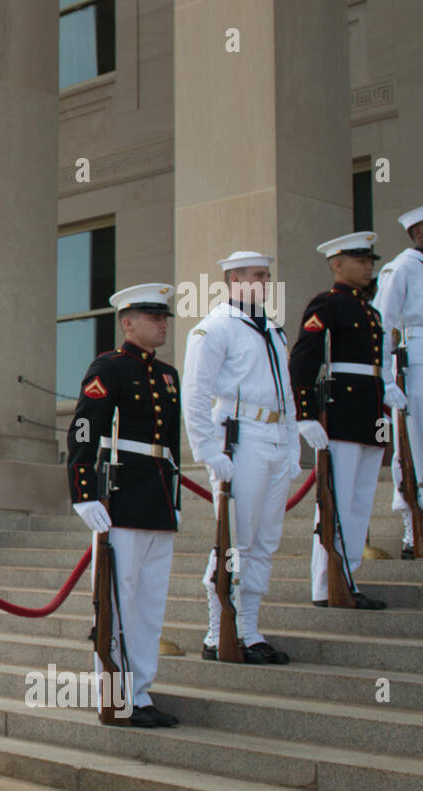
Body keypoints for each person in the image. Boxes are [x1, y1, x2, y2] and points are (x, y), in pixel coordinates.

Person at [67, 283, 181, 727]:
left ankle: (142, 692)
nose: (162, 324)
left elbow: (168, 443)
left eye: (165, 316)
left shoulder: (168, 374)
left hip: (156, 500)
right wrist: (83, 491)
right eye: (154, 317)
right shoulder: (109, 367)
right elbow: (82, 429)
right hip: (121, 498)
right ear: (128, 322)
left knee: (150, 605)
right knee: (116, 603)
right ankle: (115, 696)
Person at [181, 250, 295, 665]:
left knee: (265, 540)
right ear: (233, 280)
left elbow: (287, 391)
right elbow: (195, 394)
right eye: (257, 275)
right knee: (235, 539)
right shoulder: (214, 328)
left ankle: (250, 629)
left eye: (267, 276)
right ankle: (218, 633)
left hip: (275, 436)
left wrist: (293, 442)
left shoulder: (274, 331)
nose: (265, 282)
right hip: (240, 437)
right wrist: (208, 451)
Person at [288, 231, 389, 608]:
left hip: (369, 414)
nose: (368, 266)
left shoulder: (370, 309)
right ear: (337, 264)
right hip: (341, 413)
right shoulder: (326, 305)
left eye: (370, 261)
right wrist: (305, 414)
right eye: (360, 260)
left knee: (360, 501)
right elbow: (303, 361)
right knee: (338, 501)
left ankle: (347, 577)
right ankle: (325, 583)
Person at [374, 204, 423, 559]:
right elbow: (382, 324)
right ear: (417, 232)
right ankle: (416, 529)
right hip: (417, 362)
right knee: (415, 447)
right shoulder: (402, 267)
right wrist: (385, 378)